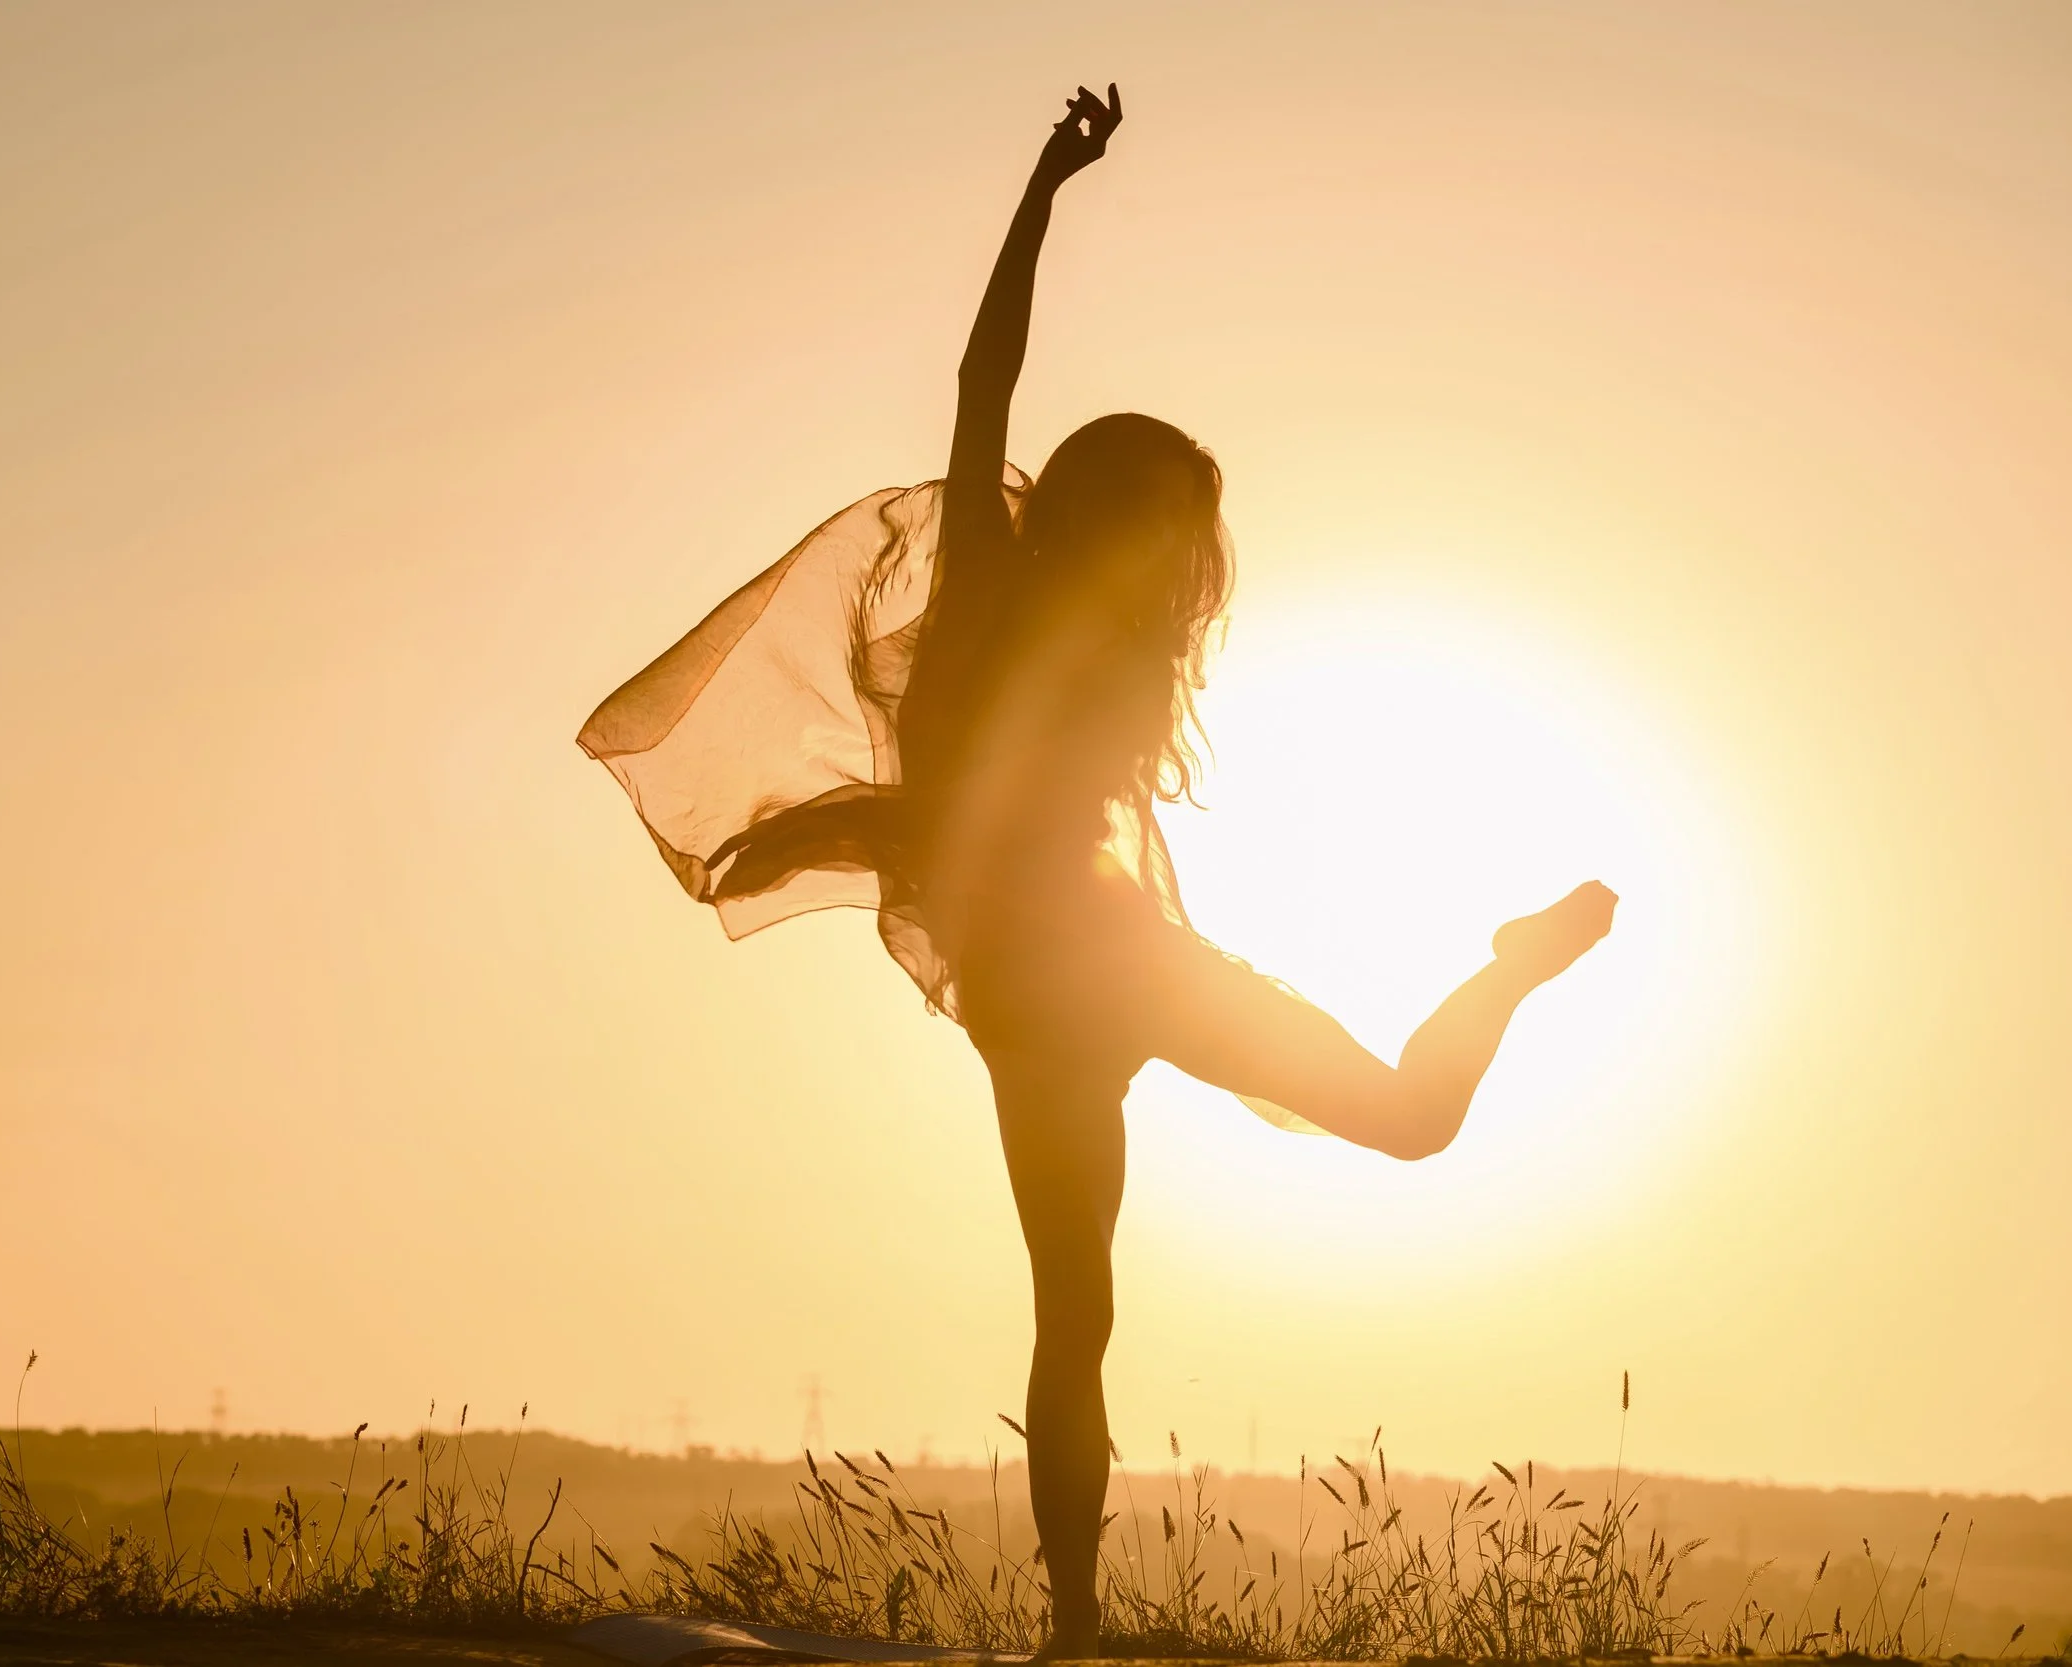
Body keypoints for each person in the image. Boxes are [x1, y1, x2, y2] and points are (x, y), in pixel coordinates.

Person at [580, 85, 1616, 1659]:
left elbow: (979, 390)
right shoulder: (1049, 613)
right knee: (1386, 1137)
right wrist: (1046, 189)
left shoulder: (1041, 616)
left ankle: (1074, 1620)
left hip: (1064, 986)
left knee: (1084, 1311)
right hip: (1102, 972)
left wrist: (1052, 183)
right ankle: (1509, 968)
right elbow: (982, 375)